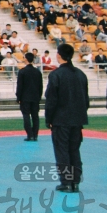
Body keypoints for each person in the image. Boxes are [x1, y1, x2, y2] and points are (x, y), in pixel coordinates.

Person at [44, 43, 89, 193]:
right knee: (74, 149)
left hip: (61, 119)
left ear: (58, 55)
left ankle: (66, 181)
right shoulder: (81, 74)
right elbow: (86, 99)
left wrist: (49, 119)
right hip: (77, 119)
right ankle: (75, 181)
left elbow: (51, 100)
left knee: (62, 150)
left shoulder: (56, 75)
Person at [15, 52, 42, 141]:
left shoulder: (22, 71)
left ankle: (29, 134)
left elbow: (20, 86)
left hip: (25, 98)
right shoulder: (37, 72)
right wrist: (39, 97)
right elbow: (40, 86)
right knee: (35, 116)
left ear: (26, 59)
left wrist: (18, 97)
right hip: (35, 97)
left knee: (26, 116)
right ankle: (35, 135)